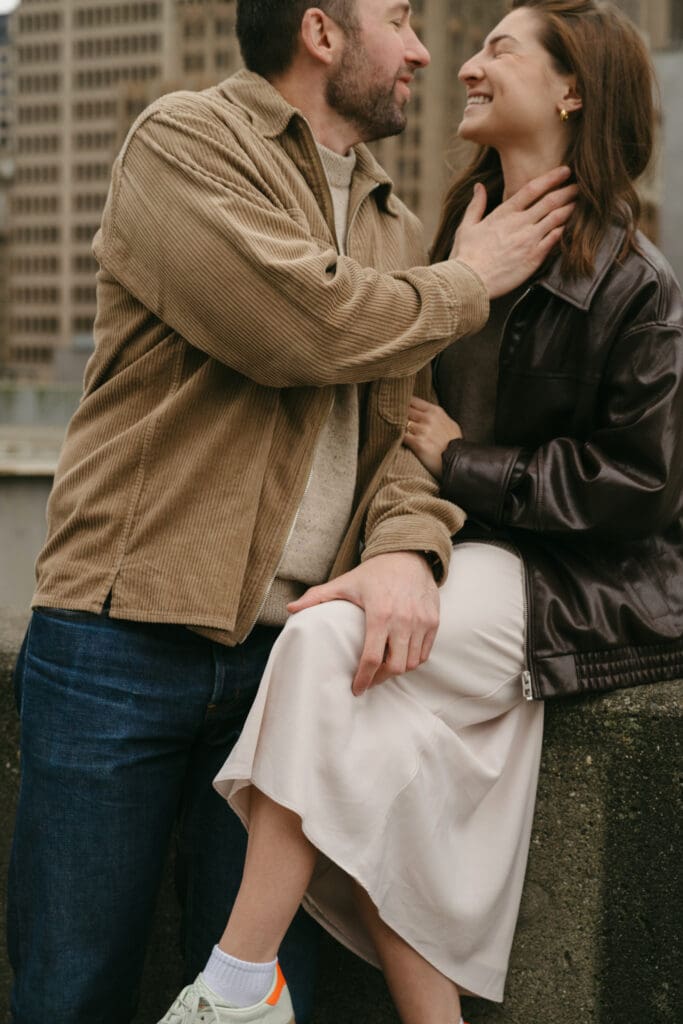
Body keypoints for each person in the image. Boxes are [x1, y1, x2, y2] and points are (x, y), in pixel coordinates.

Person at [7, 2, 577, 1023]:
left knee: (263, 1001)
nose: (417, 50)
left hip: (290, 668)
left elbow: (410, 425)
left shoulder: (399, 220)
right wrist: (469, 279)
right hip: (119, 638)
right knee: (70, 990)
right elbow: (299, 326)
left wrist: (406, 548)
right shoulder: (183, 142)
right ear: (322, 34)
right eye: (397, 20)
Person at [155, 1, 683, 1023]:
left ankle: (232, 984)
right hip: (462, 553)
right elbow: (398, 403)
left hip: (581, 583)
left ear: (570, 88)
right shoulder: (454, 234)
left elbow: (639, 489)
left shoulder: (634, 280)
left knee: (318, 646)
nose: (465, 64)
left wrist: (467, 465)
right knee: (374, 763)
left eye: (497, 48)